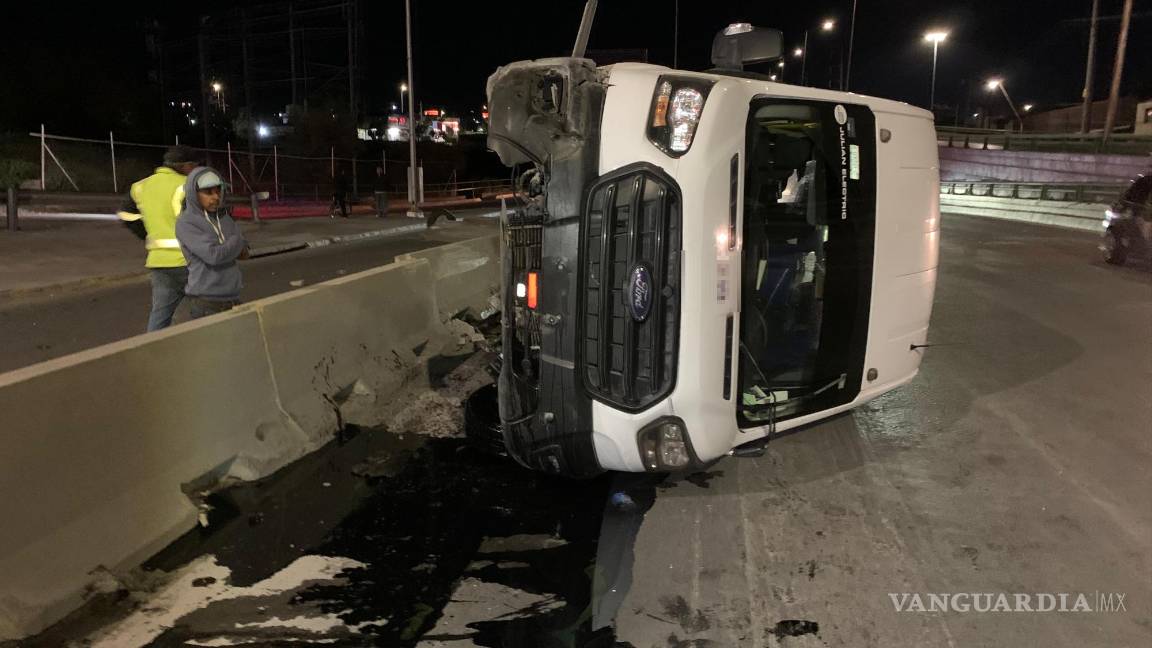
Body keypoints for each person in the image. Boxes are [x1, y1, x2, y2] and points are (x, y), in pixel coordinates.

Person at [117, 145, 199, 330]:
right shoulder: (188, 186)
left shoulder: (141, 186)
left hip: (158, 262)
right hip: (189, 262)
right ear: (186, 166)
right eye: (194, 166)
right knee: (207, 307)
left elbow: (125, 215)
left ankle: (153, 351)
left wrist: (147, 234)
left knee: (160, 315)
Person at [175, 167, 249, 319]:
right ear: (194, 194)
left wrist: (233, 248)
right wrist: (237, 241)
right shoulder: (187, 223)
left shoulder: (225, 218)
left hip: (233, 298)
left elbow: (245, 253)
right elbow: (213, 256)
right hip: (206, 303)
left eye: (218, 191)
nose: (215, 197)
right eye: (208, 192)